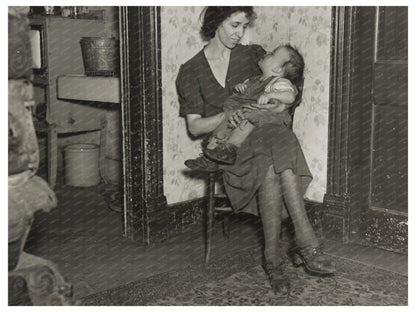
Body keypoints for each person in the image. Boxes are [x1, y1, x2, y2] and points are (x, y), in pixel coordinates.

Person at [176, 6, 335, 294]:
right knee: (274, 159)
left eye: (244, 26)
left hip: (267, 131)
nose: (240, 34)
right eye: (235, 25)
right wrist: (231, 114)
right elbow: (196, 127)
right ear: (215, 23)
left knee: (277, 145)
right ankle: (305, 242)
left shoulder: (252, 55)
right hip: (229, 146)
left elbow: (287, 83)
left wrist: (281, 103)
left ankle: (273, 259)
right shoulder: (191, 70)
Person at [186, 44, 303, 167]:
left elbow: (290, 97)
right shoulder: (254, 79)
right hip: (243, 111)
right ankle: (210, 154)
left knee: (247, 121)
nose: (267, 52)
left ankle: (231, 148)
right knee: (226, 121)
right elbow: (245, 94)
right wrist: (240, 87)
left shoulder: (279, 82)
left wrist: (270, 95)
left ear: (278, 69)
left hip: (263, 117)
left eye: (273, 53)